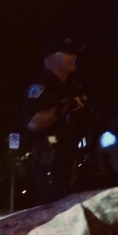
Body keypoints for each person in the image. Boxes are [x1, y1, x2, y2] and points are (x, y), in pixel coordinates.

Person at [23, 35, 91, 204]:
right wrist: (66, 106)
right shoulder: (41, 86)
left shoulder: (71, 87)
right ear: (52, 57)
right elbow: (34, 122)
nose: (74, 56)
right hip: (50, 164)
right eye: (68, 52)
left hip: (73, 163)